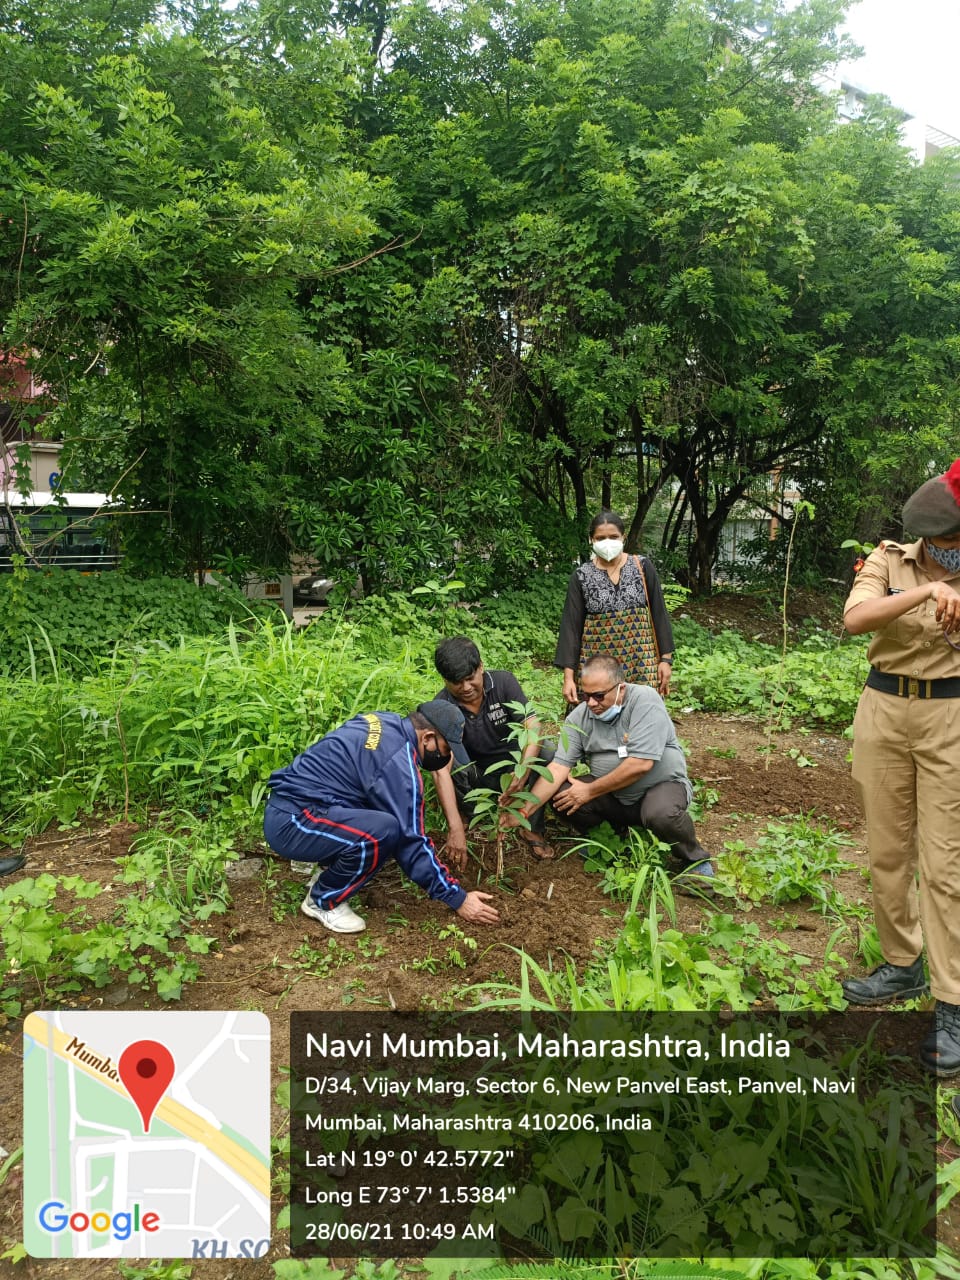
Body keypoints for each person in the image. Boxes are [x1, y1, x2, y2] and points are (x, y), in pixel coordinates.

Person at [840, 459, 960, 1077]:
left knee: (945, 864)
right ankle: (902, 963)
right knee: (887, 851)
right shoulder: (889, 559)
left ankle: (952, 1002)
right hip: (883, 711)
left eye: (954, 543)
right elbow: (856, 619)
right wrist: (928, 590)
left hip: (951, 718)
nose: (947, 551)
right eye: (939, 544)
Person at [262, 700, 500, 934]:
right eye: (446, 750)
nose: (446, 758)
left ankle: (328, 875)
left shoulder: (385, 722)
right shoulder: (398, 763)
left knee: (379, 814)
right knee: (383, 831)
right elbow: (412, 842)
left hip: (298, 808)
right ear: (427, 738)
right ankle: (323, 900)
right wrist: (457, 898)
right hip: (294, 822)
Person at [502, 654, 713, 883]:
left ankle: (695, 860)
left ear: (620, 689)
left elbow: (641, 764)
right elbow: (557, 768)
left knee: (660, 812)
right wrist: (522, 812)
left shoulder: (644, 700)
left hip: (660, 788)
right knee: (562, 795)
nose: (591, 703)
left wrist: (589, 791)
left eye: (599, 696)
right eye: (586, 695)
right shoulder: (580, 717)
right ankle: (613, 838)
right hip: (614, 796)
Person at [431, 636, 557, 861]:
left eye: (470, 678)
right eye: (457, 683)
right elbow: (440, 769)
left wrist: (523, 770)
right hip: (478, 774)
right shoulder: (442, 706)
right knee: (448, 762)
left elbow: (533, 725)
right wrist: (454, 826)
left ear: (481, 667)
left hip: (514, 768)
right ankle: (469, 820)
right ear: (444, 680)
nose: (466, 688)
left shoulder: (503, 683)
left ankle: (530, 825)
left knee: (546, 750)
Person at [555, 510, 675, 706]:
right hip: (597, 668)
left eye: (613, 537)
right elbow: (571, 629)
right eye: (600, 538)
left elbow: (659, 615)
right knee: (596, 718)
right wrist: (568, 678)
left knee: (641, 715)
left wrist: (666, 660)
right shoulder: (581, 576)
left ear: (623, 537)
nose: (607, 542)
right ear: (591, 540)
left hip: (641, 664)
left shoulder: (642, 567)